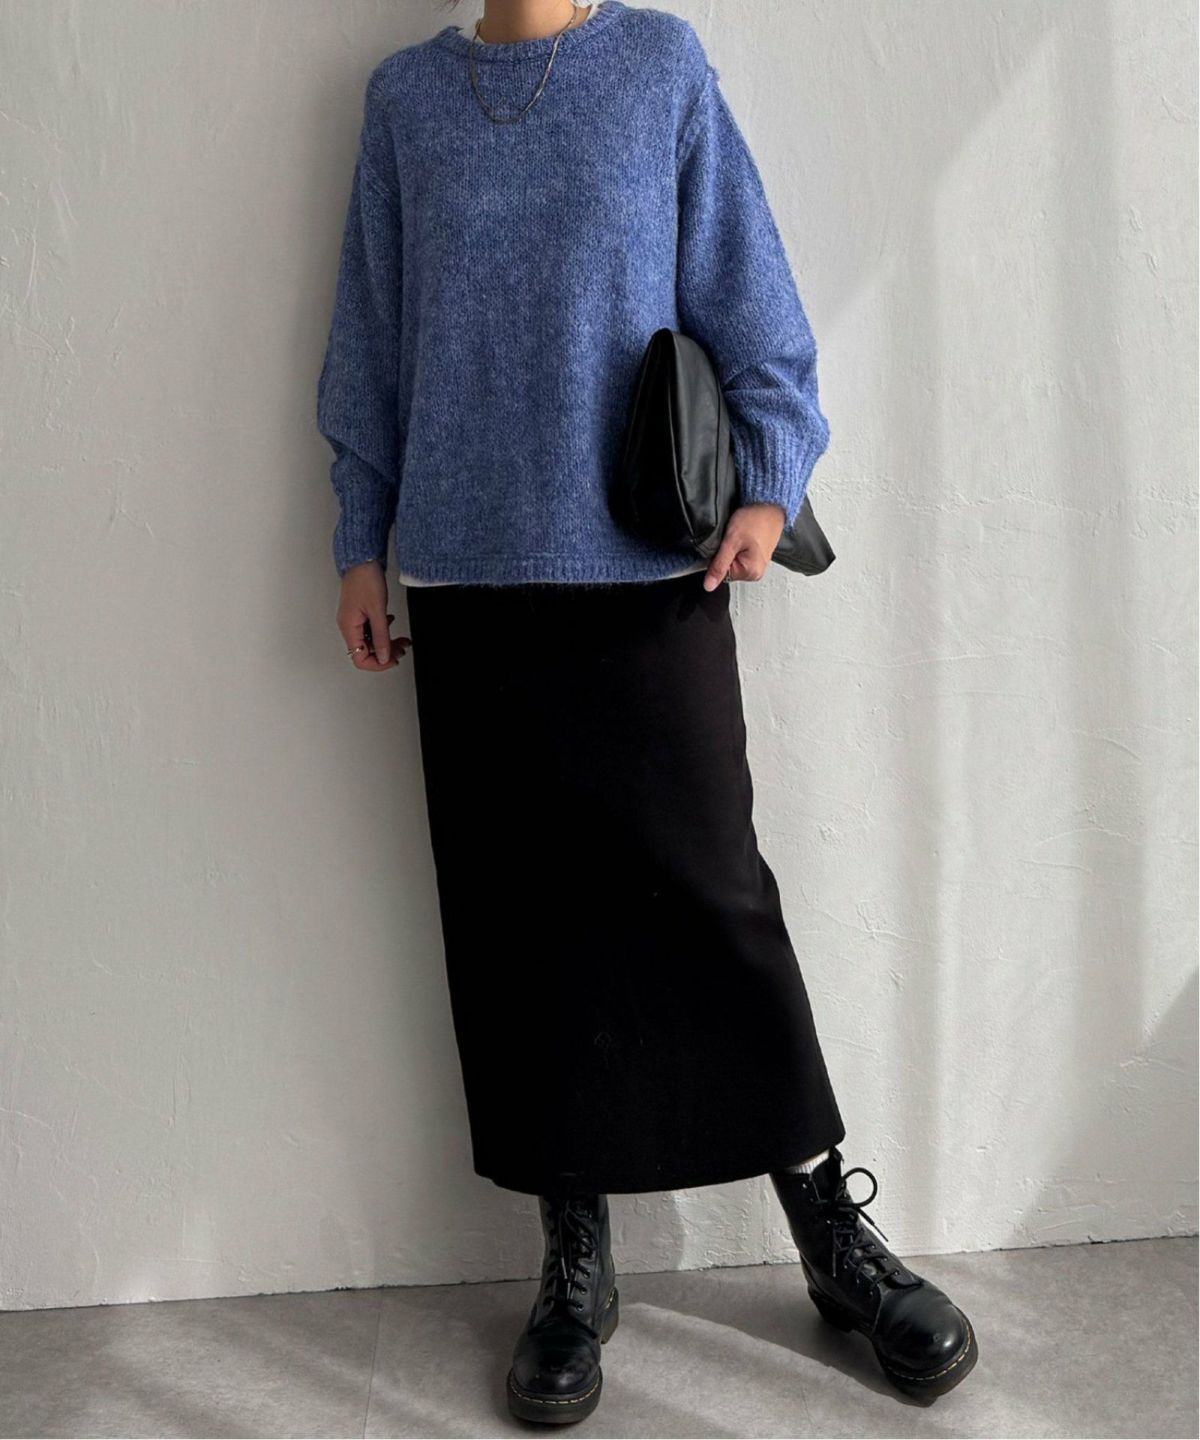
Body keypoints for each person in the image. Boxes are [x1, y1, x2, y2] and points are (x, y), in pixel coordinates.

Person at [316, 0, 977, 1422]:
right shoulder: (404, 102)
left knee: (716, 895)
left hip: (643, 567)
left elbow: (752, 291)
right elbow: (370, 333)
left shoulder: (658, 67)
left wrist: (771, 476)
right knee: (520, 923)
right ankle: (576, 1258)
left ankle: (826, 1225)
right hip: (469, 581)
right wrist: (359, 535)